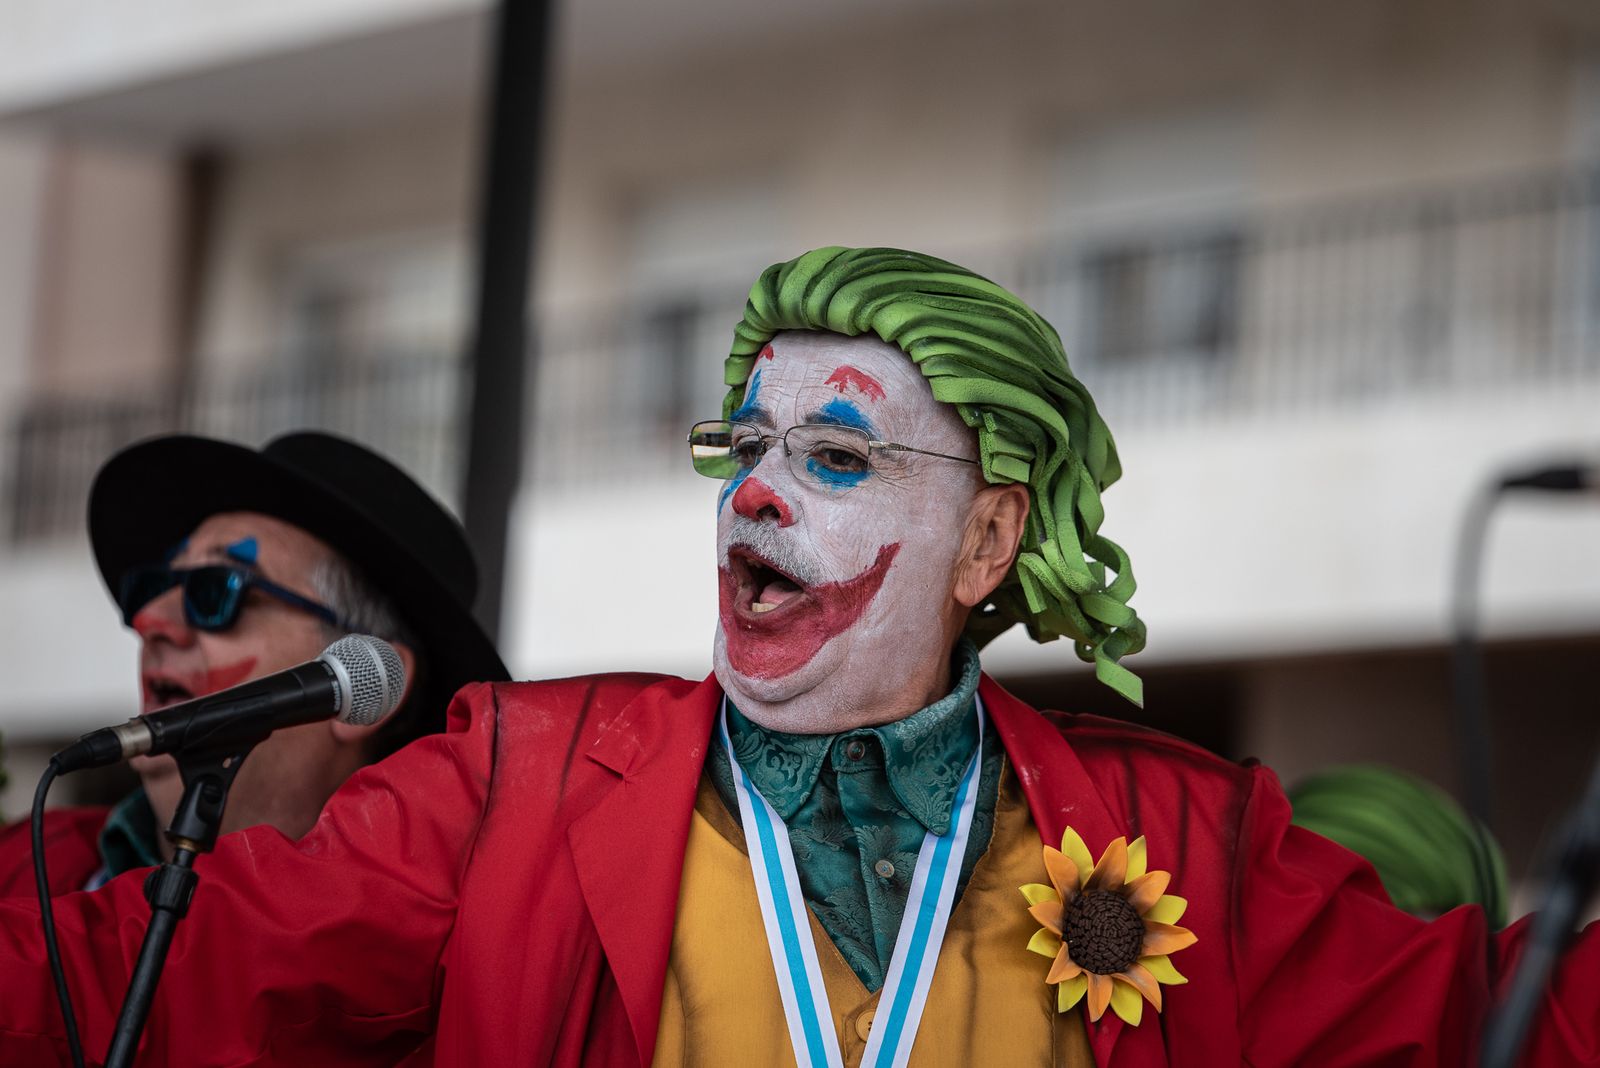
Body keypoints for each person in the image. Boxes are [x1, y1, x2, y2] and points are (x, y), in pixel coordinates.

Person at [1, 248, 1595, 1065]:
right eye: (741, 445)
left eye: (836, 459)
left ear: (987, 544)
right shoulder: (515, 781)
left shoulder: (1185, 841)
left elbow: (1497, 1023)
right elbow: (173, 970)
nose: (752, 490)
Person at [0, 431, 507, 895]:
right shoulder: (22, 874)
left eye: (217, 590)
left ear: (363, 677)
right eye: (154, 587)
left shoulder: (433, 968)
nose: (150, 621)